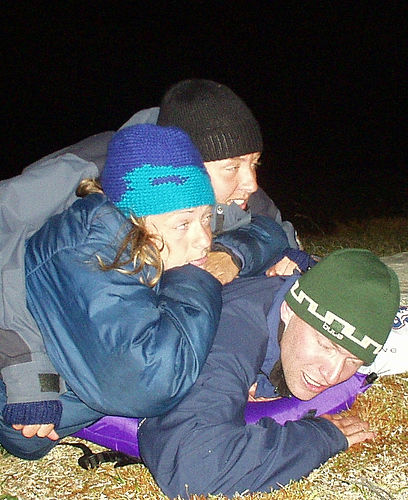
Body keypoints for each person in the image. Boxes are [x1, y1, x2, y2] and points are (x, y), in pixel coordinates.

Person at [0, 124, 290, 459]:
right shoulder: (92, 254)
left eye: (206, 218)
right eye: (184, 224)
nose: (204, 240)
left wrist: (233, 254)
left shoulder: (158, 226)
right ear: (134, 220)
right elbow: (151, 381)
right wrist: (198, 278)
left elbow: (266, 229)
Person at [138, 249, 400, 498]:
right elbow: (195, 467)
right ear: (289, 310)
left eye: (352, 360)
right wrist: (320, 438)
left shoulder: (299, 304)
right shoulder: (232, 333)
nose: (332, 375)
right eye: (325, 345)